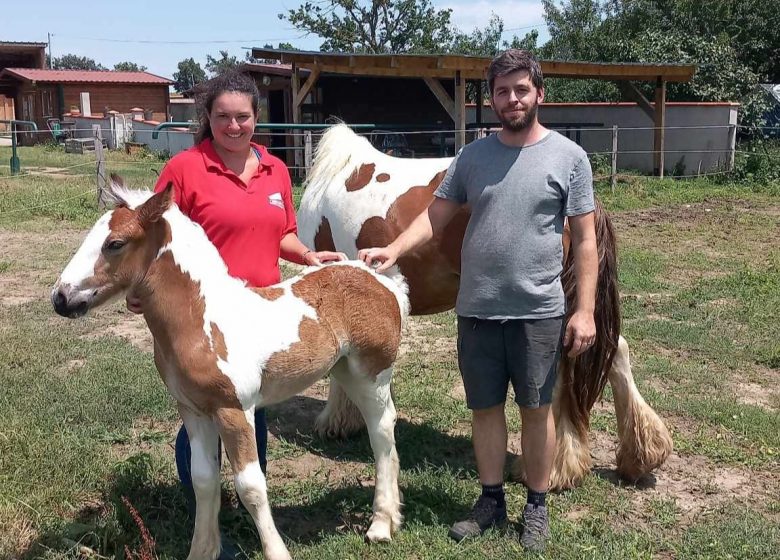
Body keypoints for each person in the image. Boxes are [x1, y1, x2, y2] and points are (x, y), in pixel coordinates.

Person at [358, 49, 597, 552]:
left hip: (538, 311)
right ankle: (490, 499)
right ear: (491, 99)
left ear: (539, 94)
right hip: (478, 310)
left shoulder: (570, 158)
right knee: (485, 409)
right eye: (502, 91)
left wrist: (584, 309)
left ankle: (536, 505)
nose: (512, 99)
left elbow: (586, 239)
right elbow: (435, 218)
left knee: (536, 410)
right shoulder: (473, 156)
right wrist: (393, 247)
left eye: (521, 90)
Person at [126, 70, 345, 557]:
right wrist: (138, 288)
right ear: (208, 117)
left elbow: (281, 233)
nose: (233, 125)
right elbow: (148, 238)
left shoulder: (275, 170)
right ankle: (206, 515)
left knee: (249, 414)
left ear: (255, 118)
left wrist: (308, 257)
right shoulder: (184, 168)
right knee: (202, 414)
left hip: (261, 310)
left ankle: (243, 506)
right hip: (203, 317)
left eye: (242, 116)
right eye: (222, 116)